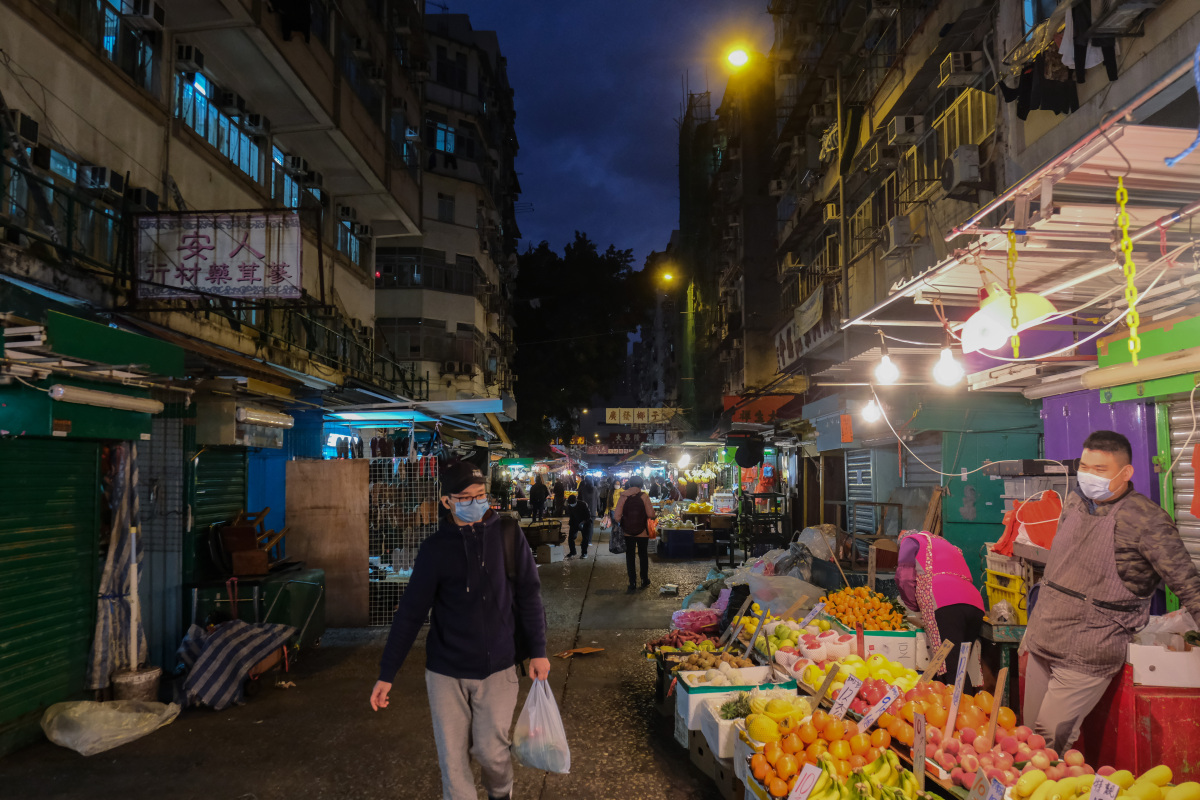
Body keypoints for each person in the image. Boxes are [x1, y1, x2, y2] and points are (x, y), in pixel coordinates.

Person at [370, 461, 550, 800]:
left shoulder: (509, 535)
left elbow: (529, 594)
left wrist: (538, 650)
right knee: (452, 762)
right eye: (464, 497)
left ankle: (500, 793)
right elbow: (409, 613)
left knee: (491, 752)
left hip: (499, 666)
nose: (474, 503)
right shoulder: (435, 549)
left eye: (480, 495)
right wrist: (386, 673)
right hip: (445, 672)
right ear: (447, 501)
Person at [1022, 430, 1200, 752]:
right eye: (1085, 466)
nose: (1088, 476)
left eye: (1099, 470)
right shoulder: (1076, 500)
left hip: (1088, 648)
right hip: (1044, 635)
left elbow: (1189, 586)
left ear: (1126, 472)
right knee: (1026, 741)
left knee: (1049, 741)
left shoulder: (1148, 521)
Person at [896, 530, 986, 692]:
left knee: (951, 667)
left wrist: (913, 606)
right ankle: (970, 710)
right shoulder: (946, 544)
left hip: (945, 603)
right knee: (961, 664)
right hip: (974, 603)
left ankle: (960, 713)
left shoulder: (909, 541)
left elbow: (905, 578)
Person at [616, 475, 657, 592]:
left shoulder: (623, 496)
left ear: (629, 484)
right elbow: (651, 514)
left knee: (630, 557)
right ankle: (644, 579)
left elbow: (617, 517)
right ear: (641, 484)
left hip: (627, 532)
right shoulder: (644, 496)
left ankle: (632, 582)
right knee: (643, 555)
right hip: (642, 532)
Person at [566, 493, 592, 558]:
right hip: (575, 522)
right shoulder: (569, 506)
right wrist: (571, 524)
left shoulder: (583, 504)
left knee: (585, 539)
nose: (572, 505)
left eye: (573, 504)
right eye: (570, 504)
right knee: (570, 538)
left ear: (576, 501)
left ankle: (584, 553)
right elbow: (571, 516)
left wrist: (583, 523)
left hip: (586, 522)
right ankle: (573, 552)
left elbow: (588, 516)